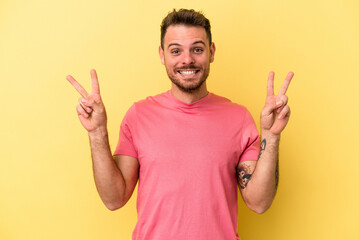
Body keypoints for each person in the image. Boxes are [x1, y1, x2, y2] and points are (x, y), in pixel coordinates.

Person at [66, 9, 293, 240]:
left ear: (211, 52)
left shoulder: (239, 118)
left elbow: (259, 203)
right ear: (162, 55)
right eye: (176, 51)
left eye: (197, 49)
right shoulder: (138, 116)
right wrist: (96, 133)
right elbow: (114, 199)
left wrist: (271, 136)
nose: (187, 59)